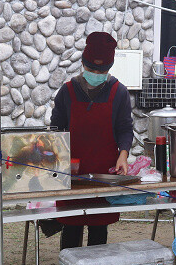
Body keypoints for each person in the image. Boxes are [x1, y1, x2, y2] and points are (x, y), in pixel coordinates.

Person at [49, 32, 133, 250]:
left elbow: (125, 128)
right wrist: (56, 158)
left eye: (102, 70)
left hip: (103, 173)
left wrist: (123, 154)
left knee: (98, 227)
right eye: (92, 69)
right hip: (71, 173)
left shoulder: (119, 92)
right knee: (71, 226)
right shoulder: (67, 91)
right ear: (84, 64)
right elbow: (56, 129)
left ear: (109, 68)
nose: (96, 74)